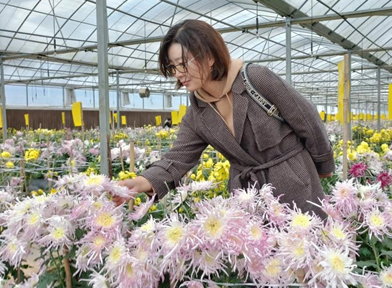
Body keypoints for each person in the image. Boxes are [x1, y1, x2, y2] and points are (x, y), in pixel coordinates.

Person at [119, 20, 334, 217]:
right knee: (259, 255)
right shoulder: (197, 113)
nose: (178, 73)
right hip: (249, 198)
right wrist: (142, 181)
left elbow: (307, 120)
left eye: (183, 64)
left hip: (294, 185)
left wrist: (324, 168)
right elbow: (177, 158)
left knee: (304, 249)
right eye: (172, 67)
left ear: (209, 56)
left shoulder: (256, 79)